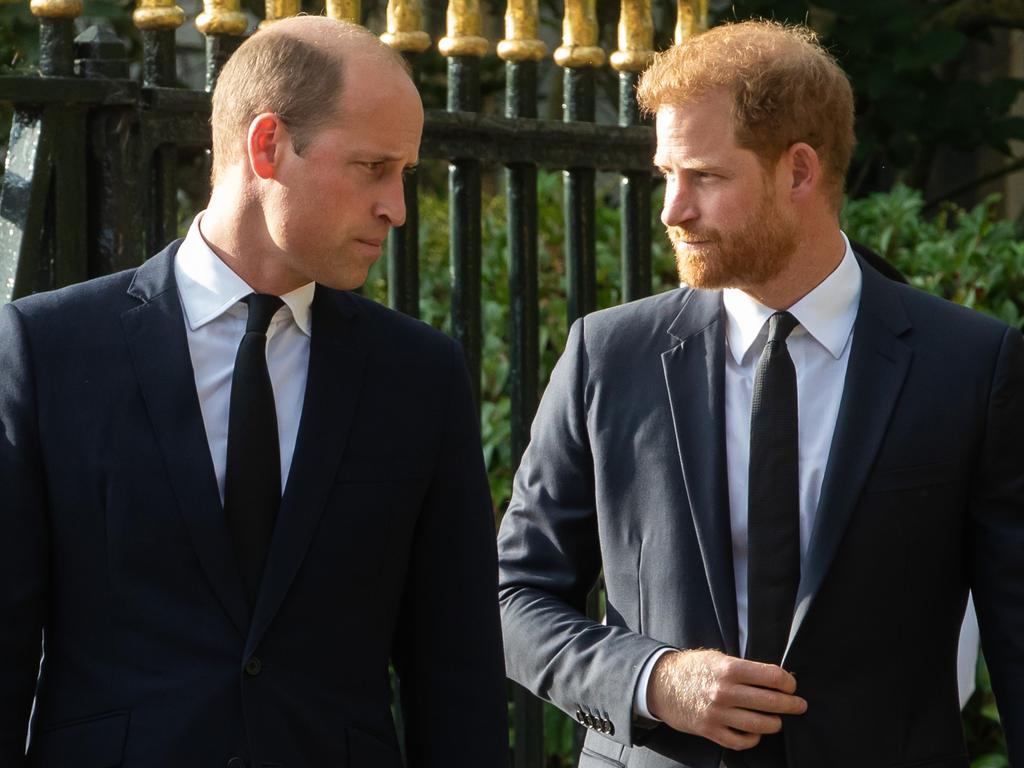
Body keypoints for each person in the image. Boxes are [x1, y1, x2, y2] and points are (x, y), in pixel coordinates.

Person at [497, 20, 1024, 768]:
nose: (673, 210)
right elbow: (511, 596)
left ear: (800, 172)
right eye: (666, 175)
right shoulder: (608, 356)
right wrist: (652, 679)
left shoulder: (970, 365)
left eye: (704, 176)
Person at [0, 16, 508, 768]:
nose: (397, 208)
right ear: (266, 146)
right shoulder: (47, 350)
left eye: (406, 175)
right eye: (373, 168)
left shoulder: (420, 377)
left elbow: (457, 673)